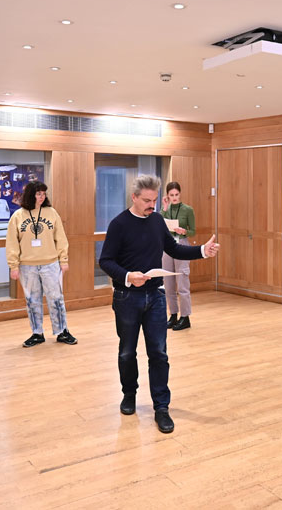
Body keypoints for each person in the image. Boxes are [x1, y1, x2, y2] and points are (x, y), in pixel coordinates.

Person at [99, 174, 219, 433]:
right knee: (127, 352)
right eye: (146, 200)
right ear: (134, 197)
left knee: (159, 354)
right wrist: (129, 276)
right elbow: (105, 261)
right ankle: (129, 394)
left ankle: (161, 407)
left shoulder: (156, 220)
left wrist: (201, 252)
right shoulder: (119, 224)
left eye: (154, 200)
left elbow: (173, 249)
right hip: (127, 297)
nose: (151, 205)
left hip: (155, 296)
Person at [5, 181, 75, 347]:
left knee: (56, 298)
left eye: (44, 193)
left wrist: (63, 259)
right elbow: (12, 243)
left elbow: (61, 238)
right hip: (27, 266)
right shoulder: (18, 216)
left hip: (51, 264)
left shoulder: (51, 213)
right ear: (30, 194)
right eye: (38, 194)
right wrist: (13, 266)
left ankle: (62, 331)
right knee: (32, 300)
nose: (42, 197)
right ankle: (37, 333)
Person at [160, 181, 196, 330]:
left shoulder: (188, 209)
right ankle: (173, 315)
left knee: (182, 282)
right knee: (168, 283)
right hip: (168, 245)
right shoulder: (166, 209)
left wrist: (184, 231)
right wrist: (164, 208)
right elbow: (159, 224)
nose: (174, 197)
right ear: (167, 196)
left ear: (180, 194)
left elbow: (193, 230)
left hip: (181, 244)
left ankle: (185, 317)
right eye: (171, 195)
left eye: (176, 195)